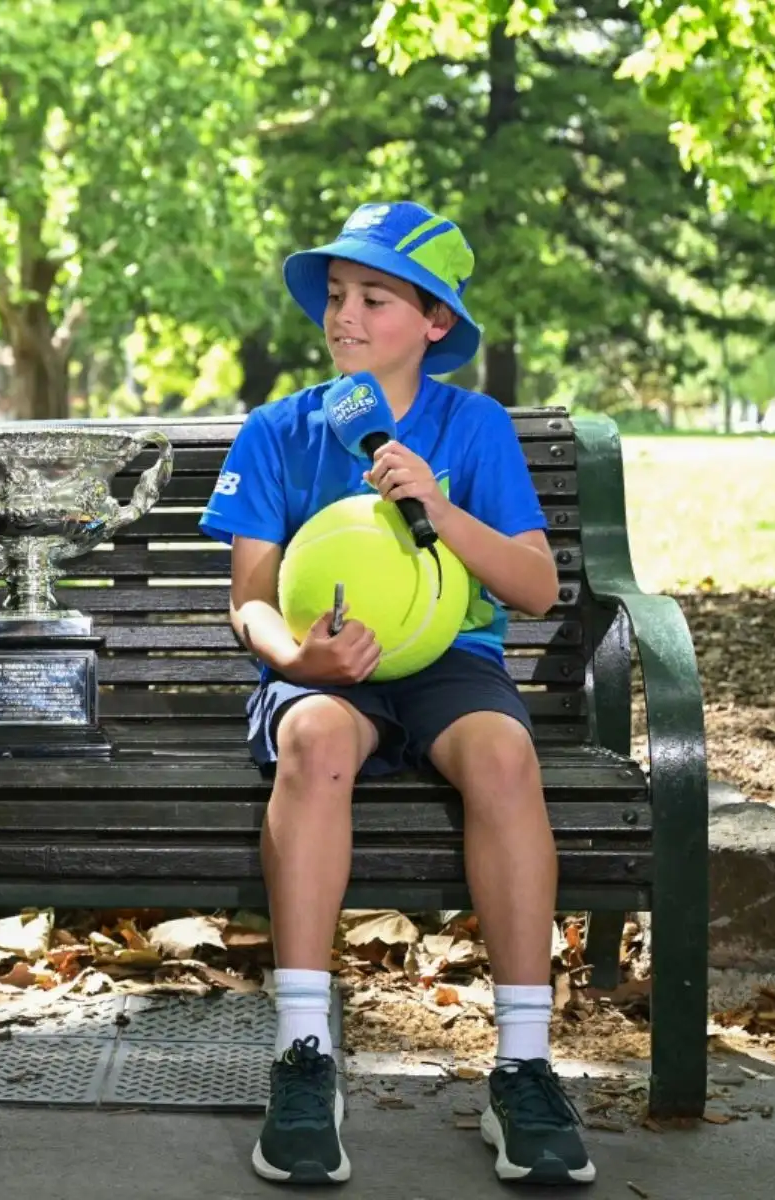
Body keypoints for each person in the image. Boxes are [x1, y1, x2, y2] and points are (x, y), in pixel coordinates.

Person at [199, 201, 593, 1186]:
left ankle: (525, 1066)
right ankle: (303, 1054)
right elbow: (249, 602)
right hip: (325, 662)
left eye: (374, 297)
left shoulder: (475, 426)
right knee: (316, 744)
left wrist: (438, 504)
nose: (344, 317)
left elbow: (536, 589)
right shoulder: (280, 430)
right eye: (336, 297)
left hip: (450, 662)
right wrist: (298, 659)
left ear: (434, 325)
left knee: (505, 756)